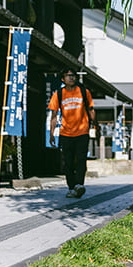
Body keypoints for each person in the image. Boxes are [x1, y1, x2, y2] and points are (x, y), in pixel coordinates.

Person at [48, 68, 95, 198]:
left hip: (82, 131)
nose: (72, 78)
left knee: (81, 160)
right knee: (67, 162)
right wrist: (52, 134)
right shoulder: (58, 94)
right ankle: (71, 187)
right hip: (66, 133)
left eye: (73, 75)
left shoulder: (84, 92)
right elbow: (53, 115)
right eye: (68, 76)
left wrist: (95, 124)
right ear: (63, 79)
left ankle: (79, 184)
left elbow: (91, 109)